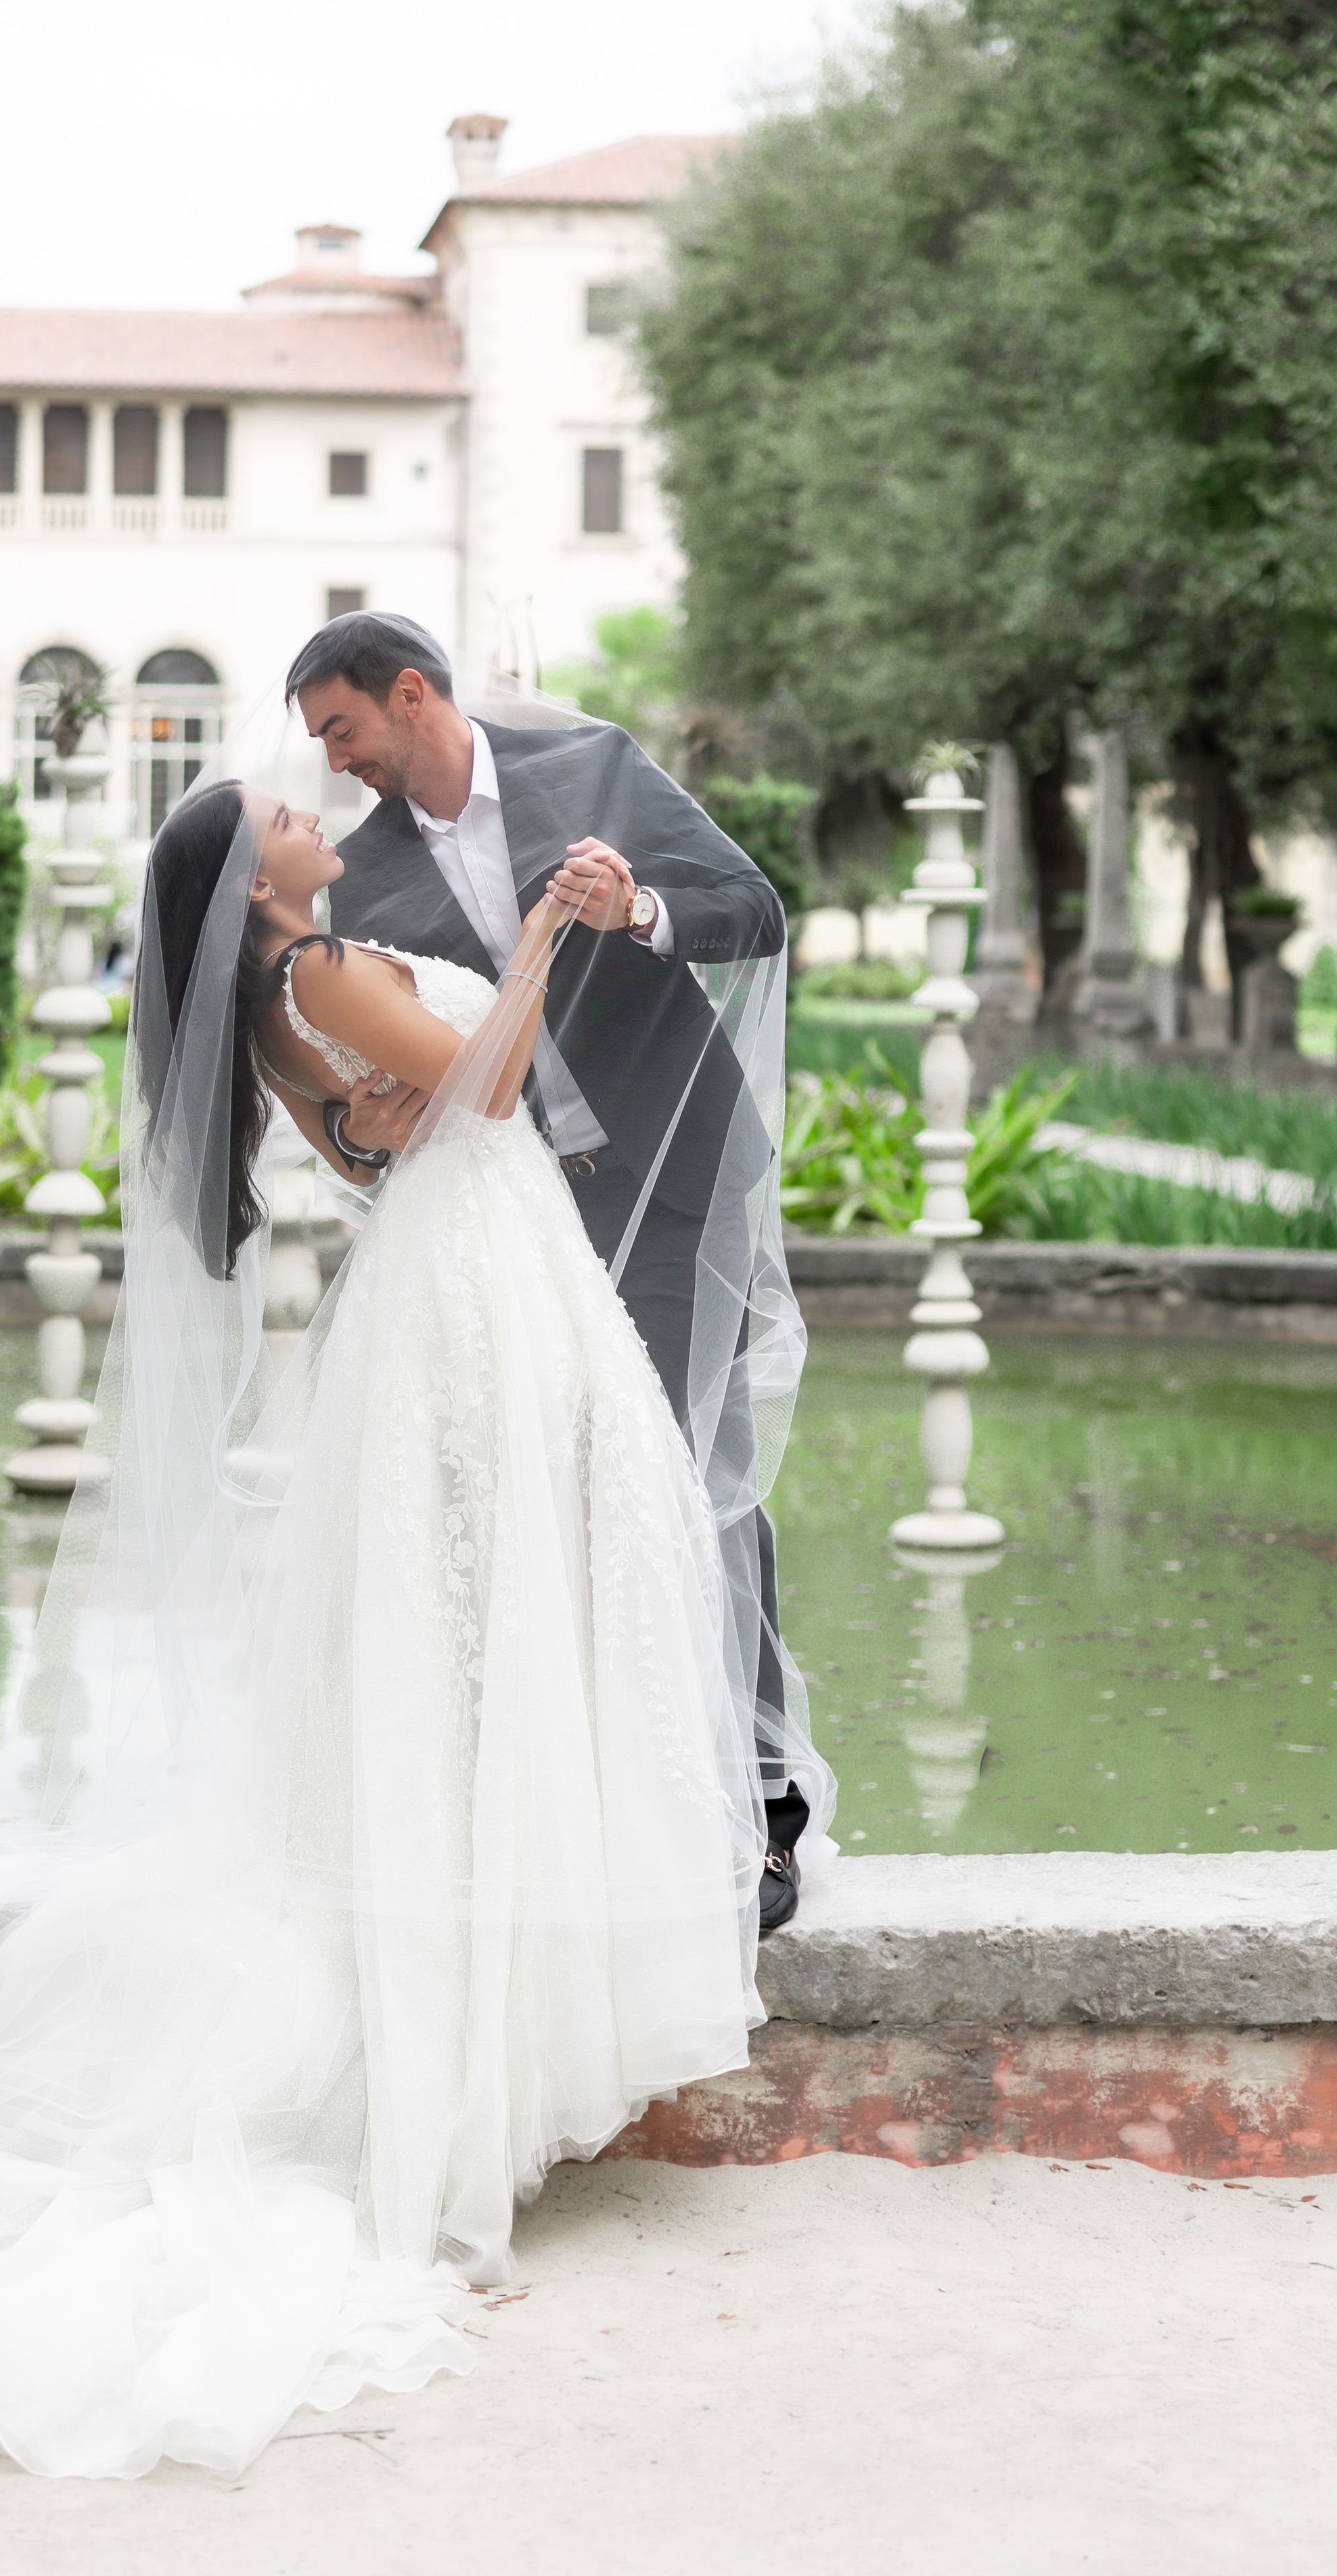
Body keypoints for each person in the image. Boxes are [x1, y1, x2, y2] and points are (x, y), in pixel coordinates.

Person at [0, 752, 830, 2484]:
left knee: (480, 1620)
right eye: (279, 811)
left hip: (461, 1276)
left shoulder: (285, 1005)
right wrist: (539, 949)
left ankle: (490, 1985)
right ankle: (480, 2026)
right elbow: (494, 1090)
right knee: (534, 1594)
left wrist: (422, 1080)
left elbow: (377, 1138)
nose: (305, 808)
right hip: (482, 1282)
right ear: (257, 879)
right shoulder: (316, 970)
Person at [290, 612, 814, 1927]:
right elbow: (392, 1092)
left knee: (695, 1473)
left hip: (670, 1178)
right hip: (523, 1221)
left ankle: (759, 1808)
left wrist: (638, 908)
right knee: (565, 1495)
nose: (336, 761)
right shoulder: (359, 881)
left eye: (342, 729)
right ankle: (611, 1801)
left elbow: (754, 910)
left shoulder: (591, 768)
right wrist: (370, 1124)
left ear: (412, 694)